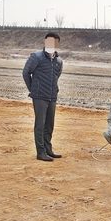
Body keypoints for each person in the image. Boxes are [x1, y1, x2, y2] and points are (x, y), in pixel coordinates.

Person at [22, 32, 63, 162]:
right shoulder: (36, 57)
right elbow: (26, 73)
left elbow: (57, 76)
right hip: (39, 96)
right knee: (40, 124)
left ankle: (48, 149)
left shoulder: (58, 61)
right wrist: (33, 89)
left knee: (49, 124)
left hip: (52, 96)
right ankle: (40, 152)